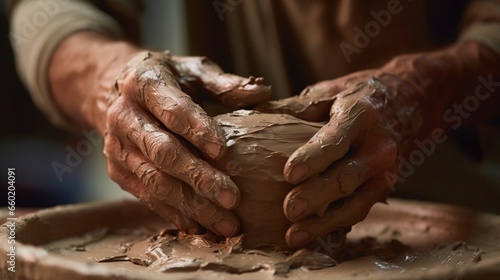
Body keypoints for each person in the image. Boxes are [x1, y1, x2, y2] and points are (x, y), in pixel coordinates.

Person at [8, 0, 500, 249]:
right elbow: (48, 9)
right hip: (215, 233)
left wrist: (429, 89)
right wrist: (109, 80)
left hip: (462, 222)